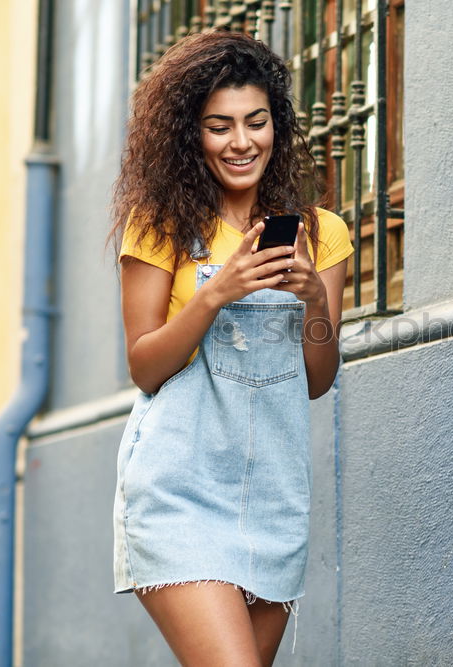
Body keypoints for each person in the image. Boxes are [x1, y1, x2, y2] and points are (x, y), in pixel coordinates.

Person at [109, 30, 352, 666]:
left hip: (273, 494)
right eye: (220, 126)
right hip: (178, 491)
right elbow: (144, 365)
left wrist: (314, 302)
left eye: (256, 122)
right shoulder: (160, 226)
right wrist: (217, 294)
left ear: (278, 125)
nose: (242, 142)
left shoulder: (319, 234)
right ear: (193, 135)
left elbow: (318, 378)